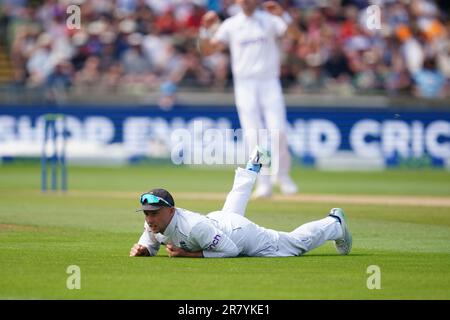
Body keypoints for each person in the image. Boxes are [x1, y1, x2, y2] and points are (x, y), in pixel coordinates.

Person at [130, 147, 352, 258]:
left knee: (294, 245)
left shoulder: (193, 226)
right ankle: (254, 164)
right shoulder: (153, 224)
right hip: (218, 221)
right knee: (232, 205)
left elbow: (231, 250)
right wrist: (144, 250)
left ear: (171, 211)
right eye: (147, 213)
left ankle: (334, 224)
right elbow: (150, 243)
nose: (149, 219)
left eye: (154, 213)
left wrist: (188, 254)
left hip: (239, 233)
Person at [197, 0, 300, 198]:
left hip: (269, 81)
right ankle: (263, 182)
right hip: (244, 85)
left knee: (279, 131)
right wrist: (204, 29)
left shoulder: (270, 19)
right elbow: (207, 50)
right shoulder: (231, 24)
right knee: (254, 135)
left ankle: (283, 176)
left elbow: (296, 36)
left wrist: (283, 15)